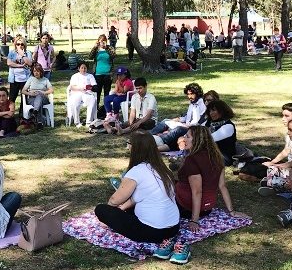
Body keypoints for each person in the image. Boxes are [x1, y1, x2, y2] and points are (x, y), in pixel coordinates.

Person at [167, 126, 249, 261]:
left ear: (197, 140)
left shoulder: (192, 160)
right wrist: (232, 211)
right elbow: (222, 186)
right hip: (207, 208)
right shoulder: (217, 157)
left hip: (186, 207)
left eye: (188, 136)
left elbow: (197, 191)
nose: (184, 139)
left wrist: (194, 220)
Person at [95, 131, 180, 250]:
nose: (128, 147)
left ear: (135, 148)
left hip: (152, 231)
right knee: (129, 208)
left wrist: (110, 213)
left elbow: (114, 200)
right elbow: (140, 196)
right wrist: (123, 208)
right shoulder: (163, 169)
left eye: (129, 143)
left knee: (101, 209)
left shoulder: (137, 171)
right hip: (174, 228)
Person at [151, 83, 206, 152]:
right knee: (166, 121)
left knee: (179, 129)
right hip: (186, 124)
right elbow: (187, 117)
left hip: (193, 129)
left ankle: (160, 139)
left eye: (191, 94)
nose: (189, 97)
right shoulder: (192, 103)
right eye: (188, 94)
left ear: (197, 93)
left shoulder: (201, 104)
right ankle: (149, 134)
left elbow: (198, 122)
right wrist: (179, 119)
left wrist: (186, 125)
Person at [204, 100, 237, 166]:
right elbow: (199, 132)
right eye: (210, 111)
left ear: (222, 111)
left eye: (214, 110)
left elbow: (208, 138)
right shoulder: (210, 122)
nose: (211, 113)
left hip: (223, 157)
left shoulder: (228, 126)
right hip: (211, 152)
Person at [67, 62, 98, 127]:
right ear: (78, 68)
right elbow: (72, 87)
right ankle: (77, 122)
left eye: (85, 68)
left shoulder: (90, 76)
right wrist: (80, 88)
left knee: (92, 101)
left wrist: (90, 88)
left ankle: (88, 122)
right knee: (74, 103)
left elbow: (94, 86)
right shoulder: (75, 76)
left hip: (87, 93)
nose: (83, 69)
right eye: (82, 68)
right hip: (76, 93)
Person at [6, 36, 32, 109]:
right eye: (18, 44)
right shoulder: (12, 53)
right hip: (14, 79)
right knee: (12, 98)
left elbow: (29, 63)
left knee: (24, 98)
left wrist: (22, 54)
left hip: (25, 79)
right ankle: (10, 114)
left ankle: (23, 115)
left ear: (24, 45)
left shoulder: (28, 53)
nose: (20, 46)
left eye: (22, 44)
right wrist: (20, 66)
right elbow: (9, 63)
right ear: (15, 45)